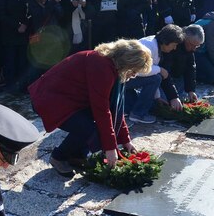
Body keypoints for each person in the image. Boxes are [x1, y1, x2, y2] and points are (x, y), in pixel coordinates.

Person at [28, 39, 151, 177]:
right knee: (90, 129)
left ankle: (76, 156)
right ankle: (59, 157)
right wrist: (110, 148)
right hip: (51, 100)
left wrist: (125, 139)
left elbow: (115, 108)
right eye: (133, 70)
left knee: (95, 127)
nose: (134, 75)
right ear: (125, 62)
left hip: (71, 100)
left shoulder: (111, 65)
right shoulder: (101, 66)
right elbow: (101, 109)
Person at [125, 24, 185, 124]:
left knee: (150, 103)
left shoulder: (155, 45)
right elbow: (138, 71)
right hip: (121, 79)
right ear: (166, 41)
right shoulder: (147, 46)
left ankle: (131, 109)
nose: (174, 48)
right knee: (156, 78)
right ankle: (138, 114)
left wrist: (157, 97)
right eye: (174, 45)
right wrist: (160, 69)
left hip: (125, 80)